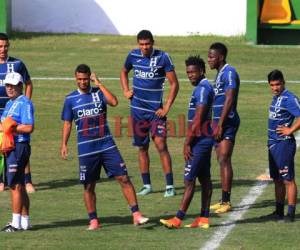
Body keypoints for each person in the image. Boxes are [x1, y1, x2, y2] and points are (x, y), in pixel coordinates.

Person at [61, 64, 149, 230]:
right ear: (75, 78)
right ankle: (93, 220)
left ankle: (136, 214)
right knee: (89, 186)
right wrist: (64, 144)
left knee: (123, 178)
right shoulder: (70, 100)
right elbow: (67, 123)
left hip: (107, 145)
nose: (83, 82)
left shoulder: (98, 93)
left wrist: (99, 83)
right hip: (87, 149)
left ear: (90, 78)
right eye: (79, 79)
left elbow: (114, 102)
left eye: (85, 79)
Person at [120, 30, 179, 197]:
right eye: (142, 44)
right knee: (142, 148)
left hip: (156, 113)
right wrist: (126, 90)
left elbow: (174, 84)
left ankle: (169, 186)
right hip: (138, 111)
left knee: (161, 145)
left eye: (147, 44)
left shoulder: (163, 58)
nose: (144, 47)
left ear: (153, 43)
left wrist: (166, 107)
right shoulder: (132, 55)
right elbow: (123, 72)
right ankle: (147, 185)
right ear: (138, 44)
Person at [160, 56, 214, 229]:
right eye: (188, 72)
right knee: (204, 179)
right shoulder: (201, 88)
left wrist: (187, 143)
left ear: (202, 71)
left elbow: (198, 119)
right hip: (202, 140)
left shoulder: (204, 89)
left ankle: (178, 219)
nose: (190, 75)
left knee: (189, 180)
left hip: (200, 141)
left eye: (193, 72)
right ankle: (204, 218)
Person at [0, 32, 35, 193]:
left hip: (15, 111)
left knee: (20, 143)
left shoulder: (17, 64)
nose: (3, 49)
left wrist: (24, 102)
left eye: (6, 46)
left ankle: (27, 181)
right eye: (0, 46)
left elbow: (28, 83)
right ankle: (2, 180)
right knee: (3, 146)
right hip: (2, 112)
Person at [208, 42, 240, 213]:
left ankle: (227, 202)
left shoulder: (229, 72)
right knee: (220, 159)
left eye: (211, 56)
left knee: (224, 158)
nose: (209, 60)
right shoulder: (220, 74)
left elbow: (229, 98)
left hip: (227, 123)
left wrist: (220, 124)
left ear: (220, 57)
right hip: (218, 123)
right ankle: (223, 200)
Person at [264, 69, 299, 222]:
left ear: (283, 83)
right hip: (273, 144)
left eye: (278, 84)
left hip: (283, 144)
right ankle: (278, 212)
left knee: (287, 179)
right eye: (272, 85)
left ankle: (290, 214)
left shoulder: (289, 98)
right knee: (277, 179)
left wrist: (290, 129)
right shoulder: (276, 98)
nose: (275, 88)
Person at [0, 72, 34, 232]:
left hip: (19, 147)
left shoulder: (24, 103)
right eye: (7, 85)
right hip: (11, 147)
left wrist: (12, 128)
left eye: (13, 85)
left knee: (14, 185)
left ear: (20, 86)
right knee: (19, 184)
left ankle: (15, 224)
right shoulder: (8, 104)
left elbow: (29, 127)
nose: (10, 88)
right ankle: (25, 222)